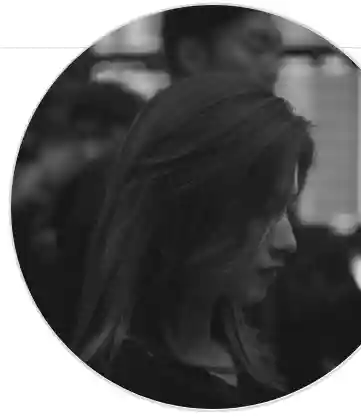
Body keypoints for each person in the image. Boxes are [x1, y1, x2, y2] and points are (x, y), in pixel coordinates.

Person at [72, 73, 314, 409]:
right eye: (263, 209)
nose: (288, 242)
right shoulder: (128, 383)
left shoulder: (265, 357)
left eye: (286, 208)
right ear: (185, 205)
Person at [50, 5, 285, 343]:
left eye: (278, 53)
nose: (273, 69)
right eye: (256, 47)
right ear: (192, 55)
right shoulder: (122, 179)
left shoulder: (260, 169)